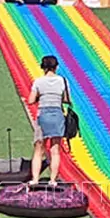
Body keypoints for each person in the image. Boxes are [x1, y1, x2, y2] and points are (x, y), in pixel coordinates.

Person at [27, 55, 68, 186]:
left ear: (43, 67)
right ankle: (52, 180)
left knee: (39, 149)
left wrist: (42, 97)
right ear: (56, 67)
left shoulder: (39, 82)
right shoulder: (63, 81)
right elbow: (66, 99)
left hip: (43, 115)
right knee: (55, 149)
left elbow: (31, 100)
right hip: (57, 115)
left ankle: (35, 179)